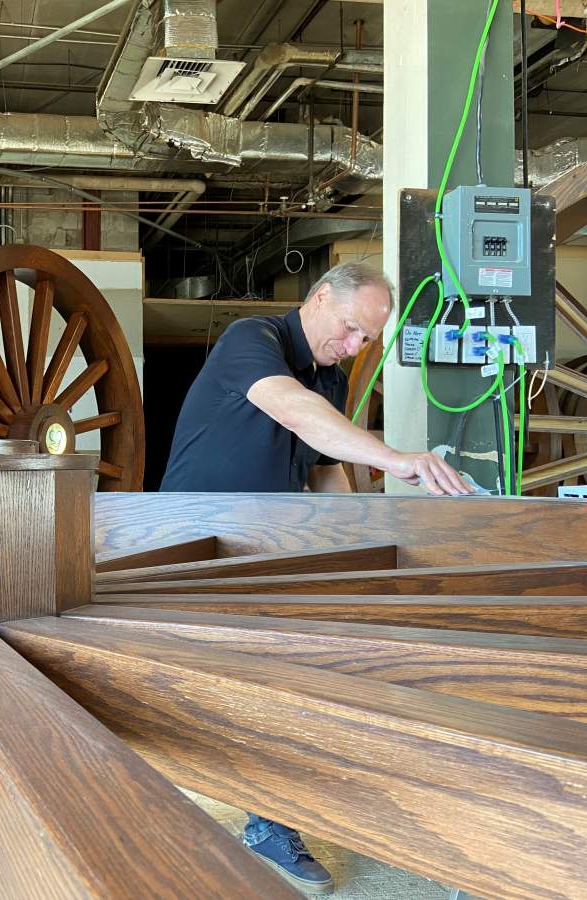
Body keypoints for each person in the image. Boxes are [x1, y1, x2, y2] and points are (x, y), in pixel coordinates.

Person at [160, 261, 471, 893]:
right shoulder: (253, 339)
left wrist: (360, 545)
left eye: (368, 342)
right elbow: (294, 411)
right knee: (216, 690)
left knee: (303, 671)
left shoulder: (328, 379)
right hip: (190, 542)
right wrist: (394, 457)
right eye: (353, 330)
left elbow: (324, 471)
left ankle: (279, 817)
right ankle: (203, 817)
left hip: (263, 548)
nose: (355, 349)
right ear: (321, 297)